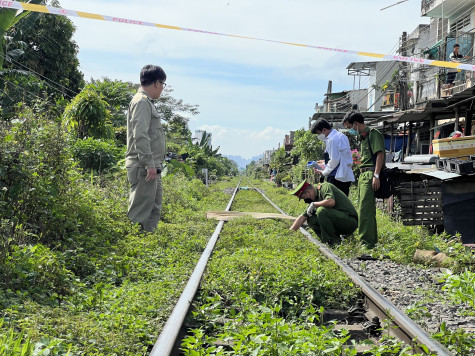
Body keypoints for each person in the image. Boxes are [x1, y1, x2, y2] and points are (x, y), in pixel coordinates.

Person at [126, 64, 167, 232]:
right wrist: (149, 164)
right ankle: (136, 246)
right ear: (157, 83)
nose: (162, 89)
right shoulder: (141, 102)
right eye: (163, 85)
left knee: (154, 207)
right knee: (140, 210)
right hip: (144, 166)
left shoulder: (147, 103)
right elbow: (140, 135)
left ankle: (148, 243)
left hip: (152, 166)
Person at [342, 111, 385, 248]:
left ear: (356, 123)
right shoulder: (362, 138)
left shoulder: (373, 134)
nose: (350, 130)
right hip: (362, 174)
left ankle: (367, 243)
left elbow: (380, 154)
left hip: (370, 174)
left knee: (366, 210)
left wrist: (376, 175)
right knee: (363, 209)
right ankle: (369, 240)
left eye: (350, 127)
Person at [289, 180, 358, 246]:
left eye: (304, 198)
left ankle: (333, 242)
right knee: (311, 219)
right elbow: (302, 217)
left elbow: (331, 202)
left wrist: (315, 204)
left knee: (321, 211)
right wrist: (290, 232)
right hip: (338, 221)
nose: (306, 200)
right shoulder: (315, 198)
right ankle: (329, 242)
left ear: (308, 193)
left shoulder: (325, 187)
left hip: (349, 222)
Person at [311, 118, 355, 196]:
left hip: (336, 177)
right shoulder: (341, 136)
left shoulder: (332, 140)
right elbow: (339, 157)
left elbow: (334, 160)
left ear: (324, 130)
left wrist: (323, 172)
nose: (318, 136)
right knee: (343, 202)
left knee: (334, 203)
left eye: (318, 133)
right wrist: (324, 166)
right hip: (345, 176)